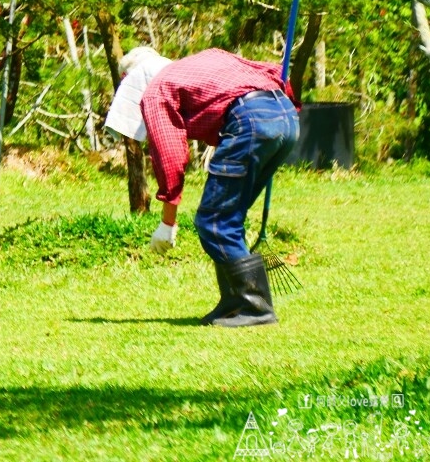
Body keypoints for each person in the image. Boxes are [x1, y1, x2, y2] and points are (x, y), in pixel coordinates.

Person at [105, 46, 299, 327]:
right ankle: (234, 303)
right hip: (286, 116)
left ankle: (255, 308)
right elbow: (272, 72)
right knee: (228, 219)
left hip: (250, 121)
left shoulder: (157, 89)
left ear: (131, 81)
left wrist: (167, 223)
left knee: (213, 221)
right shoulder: (205, 60)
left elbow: (170, 155)